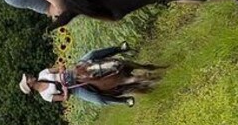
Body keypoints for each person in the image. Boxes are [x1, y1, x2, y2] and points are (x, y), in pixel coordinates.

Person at [19, 43, 164, 107]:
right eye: (28, 79)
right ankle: (123, 101)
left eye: (28, 77)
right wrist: (64, 91)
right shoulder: (45, 96)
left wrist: (62, 69)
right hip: (74, 88)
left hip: (72, 72)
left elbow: (58, 68)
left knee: (92, 54)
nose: (30, 77)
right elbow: (64, 98)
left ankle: (119, 48)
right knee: (98, 99)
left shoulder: (42, 73)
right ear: (30, 86)